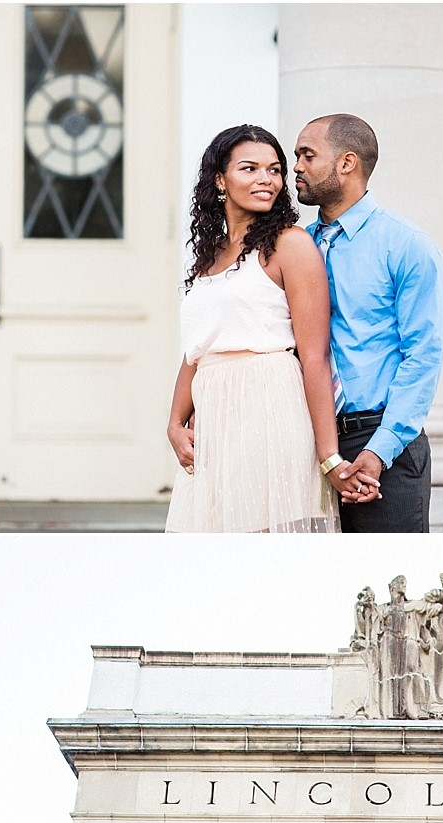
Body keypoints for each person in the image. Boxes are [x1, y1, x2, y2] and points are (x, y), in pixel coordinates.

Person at [164, 124, 376, 532]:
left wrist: (329, 457)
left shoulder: (290, 244)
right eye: (250, 168)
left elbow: (314, 355)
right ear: (219, 180)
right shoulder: (209, 257)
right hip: (215, 419)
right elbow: (197, 351)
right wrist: (174, 423)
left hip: (270, 406)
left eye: (274, 169)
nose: (267, 179)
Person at [293, 114, 443, 532]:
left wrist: (378, 452)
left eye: (307, 156)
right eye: (296, 157)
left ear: (347, 163)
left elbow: (422, 357)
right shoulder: (297, 246)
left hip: (380, 443)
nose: (296, 168)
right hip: (306, 443)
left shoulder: (407, 246)